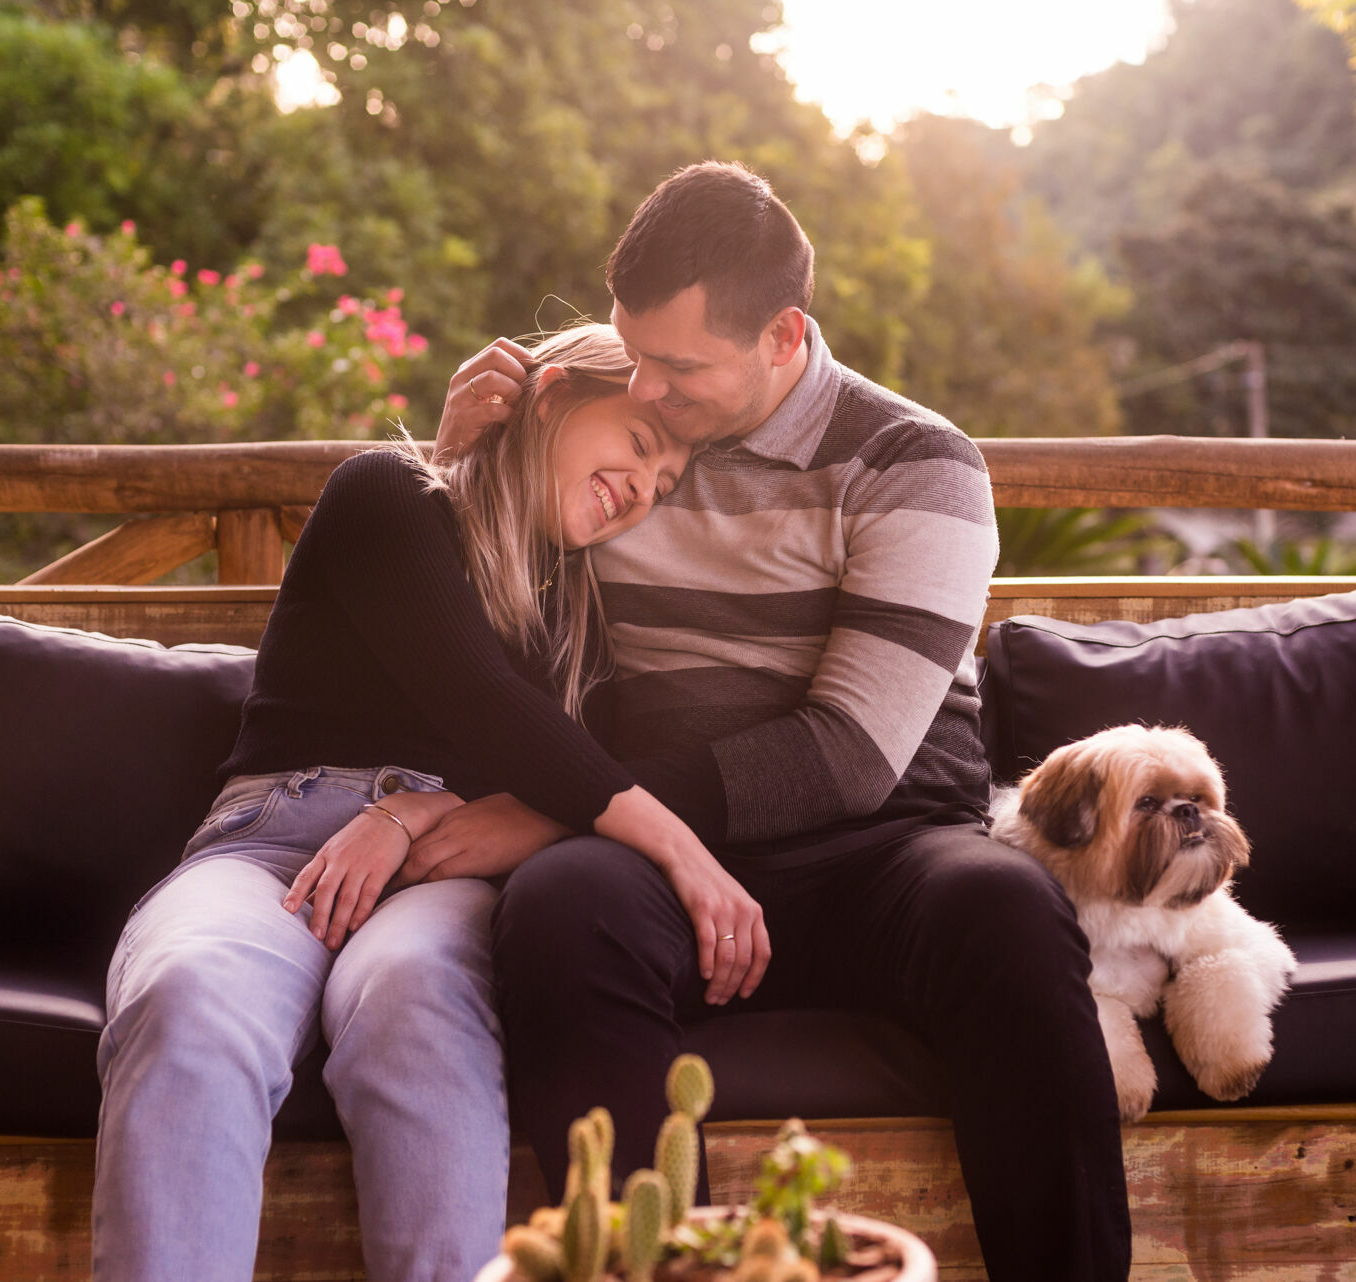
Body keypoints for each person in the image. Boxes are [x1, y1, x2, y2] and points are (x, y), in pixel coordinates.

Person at [437, 164, 1134, 1281]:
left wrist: (561, 809)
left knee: (1008, 906)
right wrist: (460, 456)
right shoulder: (622, 428)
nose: (647, 388)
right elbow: (481, 629)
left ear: (783, 335)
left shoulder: (918, 462)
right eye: (632, 349)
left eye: (679, 365)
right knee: (564, 908)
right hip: (660, 857)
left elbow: (850, 753)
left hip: (885, 850)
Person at [91, 323, 767, 1282]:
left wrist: (413, 813)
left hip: (447, 870)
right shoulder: (388, 495)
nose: (640, 492)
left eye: (661, 489)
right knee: (188, 999)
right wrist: (686, 854)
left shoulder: (589, 614)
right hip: (271, 846)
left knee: (417, 1004)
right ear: (555, 394)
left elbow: (587, 762)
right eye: (640, 446)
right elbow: (481, 704)